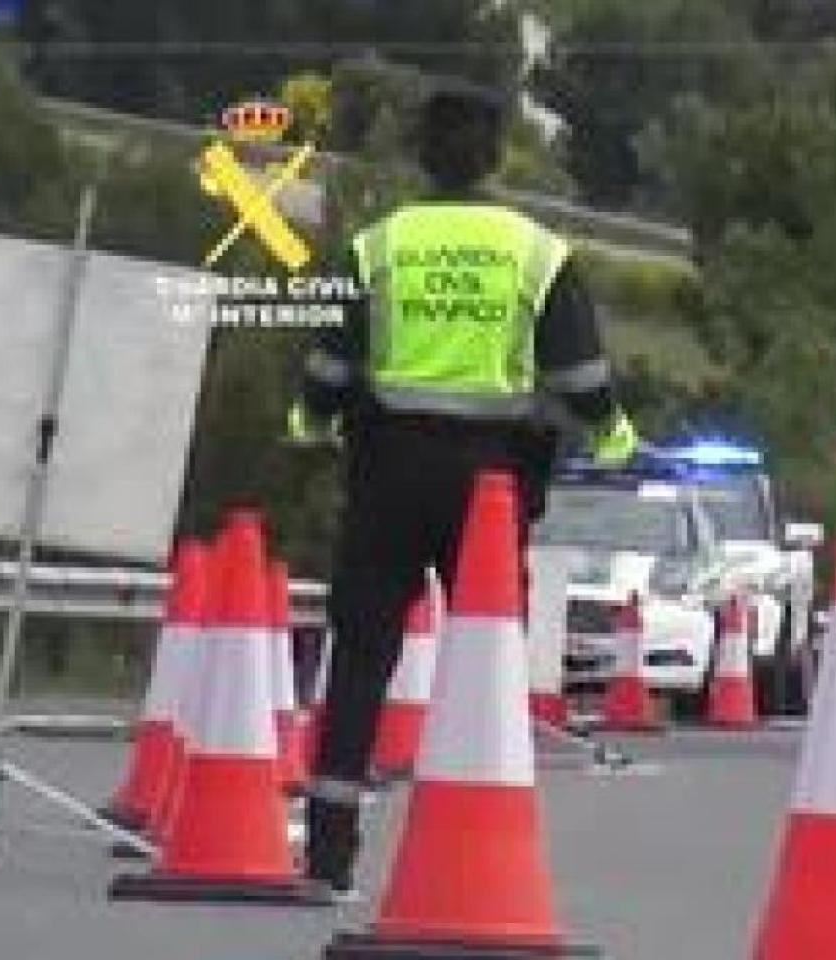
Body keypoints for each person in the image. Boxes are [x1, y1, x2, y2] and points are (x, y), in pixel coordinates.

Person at [287, 78, 639, 896]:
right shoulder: (535, 251)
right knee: (483, 658)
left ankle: (329, 852)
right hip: (491, 483)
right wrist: (614, 434)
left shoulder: (379, 246)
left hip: (387, 470)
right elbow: (581, 375)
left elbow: (330, 364)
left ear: (422, 154)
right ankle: (477, 851)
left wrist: (312, 418)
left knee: (363, 656)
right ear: (493, 157)